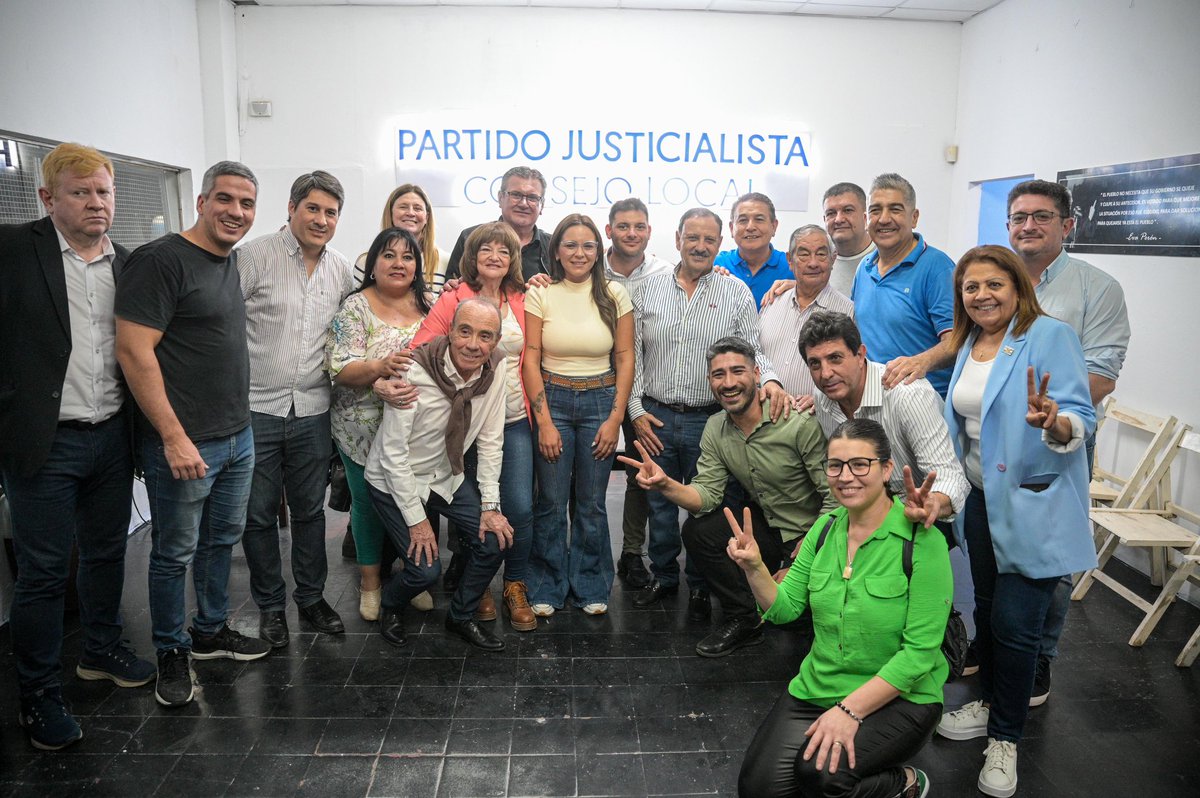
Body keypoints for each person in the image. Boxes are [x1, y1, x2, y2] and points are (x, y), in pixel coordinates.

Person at [0, 143, 155, 749]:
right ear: (48, 199)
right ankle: (37, 696)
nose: (96, 203)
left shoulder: (130, 263)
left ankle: (101, 649)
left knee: (104, 554)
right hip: (44, 442)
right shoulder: (14, 250)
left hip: (112, 434)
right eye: (81, 192)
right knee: (41, 573)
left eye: (104, 192)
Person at [934, 245, 1097, 798]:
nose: (982, 295)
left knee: (1017, 624)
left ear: (1016, 287)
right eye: (971, 287)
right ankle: (990, 704)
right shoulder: (971, 342)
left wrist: (1056, 423)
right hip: (981, 499)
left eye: (993, 284)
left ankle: (1005, 736)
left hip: (1033, 502)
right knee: (983, 607)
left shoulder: (1050, 335)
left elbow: (1082, 416)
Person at [115, 161, 272, 709]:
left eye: (247, 204)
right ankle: (171, 651)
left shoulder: (226, 261)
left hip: (237, 434)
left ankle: (209, 632)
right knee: (172, 553)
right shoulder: (160, 260)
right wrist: (173, 437)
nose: (236, 212)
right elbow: (134, 352)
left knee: (219, 543)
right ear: (201, 201)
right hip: (187, 443)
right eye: (226, 200)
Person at [733, 418, 951, 798]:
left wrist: (849, 712)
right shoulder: (824, 531)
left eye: (859, 464)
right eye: (835, 465)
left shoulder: (921, 539)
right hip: (821, 685)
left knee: (821, 776)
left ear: (885, 470)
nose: (845, 476)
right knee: (758, 790)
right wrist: (755, 568)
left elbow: (919, 655)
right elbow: (784, 611)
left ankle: (903, 784)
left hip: (902, 695)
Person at [619, 337, 835, 658]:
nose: (729, 382)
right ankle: (744, 619)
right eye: (719, 375)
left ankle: (796, 601)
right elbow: (706, 495)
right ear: (709, 381)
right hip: (768, 528)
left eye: (738, 371)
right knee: (699, 531)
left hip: (813, 534)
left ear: (757, 373)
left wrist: (798, 560)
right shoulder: (716, 428)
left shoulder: (796, 423)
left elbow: (835, 500)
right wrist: (665, 484)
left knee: (800, 623)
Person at [629, 208, 790, 621]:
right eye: (693, 237)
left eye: (710, 240)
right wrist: (635, 411)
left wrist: (769, 380)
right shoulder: (647, 290)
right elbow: (635, 357)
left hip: (712, 420)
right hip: (657, 416)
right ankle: (664, 577)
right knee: (660, 504)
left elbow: (752, 348)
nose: (701, 246)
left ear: (721, 244)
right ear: (678, 237)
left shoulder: (735, 292)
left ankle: (701, 585)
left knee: (713, 508)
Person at [1006, 178, 1130, 702]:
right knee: (995, 547)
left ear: (1067, 225)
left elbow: (1101, 376)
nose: (1028, 226)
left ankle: (1037, 659)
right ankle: (997, 646)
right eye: (1018, 217)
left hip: (1060, 441)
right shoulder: (993, 279)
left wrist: (1042, 414)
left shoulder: (1095, 289)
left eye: (1040, 216)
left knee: (1050, 559)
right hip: (990, 444)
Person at [238, 170, 356, 648]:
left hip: (312, 409)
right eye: (313, 208)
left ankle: (311, 599)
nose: (321, 219)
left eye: (330, 212)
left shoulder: (343, 269)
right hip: (255, 409)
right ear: (291, 208)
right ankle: (270, 607)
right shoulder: (253, 257)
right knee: (258, 515)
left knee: (309, 513)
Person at [365, 299, 514, 651]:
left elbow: (492, 441)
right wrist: (418, 522)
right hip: (392, 479)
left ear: (494, 342)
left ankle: (460, 616)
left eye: (484, 336)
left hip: (445, 475)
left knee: (494, 541)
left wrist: (491, 506)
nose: (473, 344)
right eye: (465, 331)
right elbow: (392, 454)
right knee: (424, 572)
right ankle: (390, 604)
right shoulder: (412, 370)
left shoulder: (495, 370)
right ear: (450, 331)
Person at [413, 221, 537, 632]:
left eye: (503, 251)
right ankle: (478, 584)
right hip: (462, 424)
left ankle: (514, 584)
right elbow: (422, 349)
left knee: (517, 505)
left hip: (514, 417)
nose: (495, 257)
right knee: (468, 508)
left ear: (513, 258)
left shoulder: (523, 296)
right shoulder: (454, 297)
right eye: (486, 249)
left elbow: (534, 356)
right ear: (471, 255)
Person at [523, 214, 634, 617]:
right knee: (550, 501)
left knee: (591, 503)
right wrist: (545, 421)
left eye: (588, 245)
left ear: (598, 252)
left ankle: (590, 584)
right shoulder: (540, 294)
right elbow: (531, 358)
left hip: (599, 401)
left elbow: (624, 357)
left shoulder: (615, 295)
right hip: (552, 397)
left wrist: (615, 418)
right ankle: (547, 585)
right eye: (570, 244)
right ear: (556, 251)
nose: (579, 253)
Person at [327, 227, 434, 623]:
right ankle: (371, 584)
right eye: (388, 255)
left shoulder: (430, 303)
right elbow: (339, 367)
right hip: (362, 429)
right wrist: (379, 370)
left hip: (417, 433)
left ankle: (412, 578)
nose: (399, 264)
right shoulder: (355, 306)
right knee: (370, 506)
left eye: (408, 257)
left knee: (414, 502)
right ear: (373, 263)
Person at [800, 311, 968, 535]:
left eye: (835, 358)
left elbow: (950, 477)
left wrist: (932, 502)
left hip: (921, 519)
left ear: (860, 355)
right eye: (815, 364)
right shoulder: (823, 398)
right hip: (867, 517)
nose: (826, 373)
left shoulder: (908, 395)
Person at [603, 198, 673, 589]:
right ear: (609, 229)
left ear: (649, 230)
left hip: (641, 393)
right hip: (591, 385)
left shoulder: (664, 273)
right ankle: (582, 551)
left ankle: (632, 553)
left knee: (638, 473)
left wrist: (635, 403)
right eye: (624, 226)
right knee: (584, 476)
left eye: (640, 226)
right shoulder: (590, 268)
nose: (632, 233)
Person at [852, 173, 956, 397]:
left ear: (914, 217)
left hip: (924, 401)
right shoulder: (864, 268)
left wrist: (921, 362)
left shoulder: (938, 268)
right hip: (875, 399)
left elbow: (957, 340)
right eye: (876, 210)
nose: (884, 219)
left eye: (895, 209)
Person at [758, 225, 853, 397]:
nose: (813, 263)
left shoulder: (848, 312)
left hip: (817, 417)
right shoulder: (771, 302)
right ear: (789, 259)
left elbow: (853, 372)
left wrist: (822, 400)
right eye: (803, 254)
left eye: (821, 254)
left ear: (833, 259)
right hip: (765, 413)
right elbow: (754, 351)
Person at [446, 166, 552, 281]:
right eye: (516, 195)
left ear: (542, 205)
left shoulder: (554, 246)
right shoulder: (470, 237)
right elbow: (452, 286)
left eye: (532, 197)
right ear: (500, 198)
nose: (523, 204)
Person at [356, 183, 448, 295]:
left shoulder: (446, 261)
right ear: (391, 213)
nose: (410, 213)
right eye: (403, 207)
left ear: (426, 218)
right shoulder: (365, 262)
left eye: (417, 208)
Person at [714, 192, 791, 309]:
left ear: (774, 226)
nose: (750, 227)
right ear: (731, 228)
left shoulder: (791, 266)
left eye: (759, 219)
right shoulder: (717, 264)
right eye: (743, 220)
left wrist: (799, 288)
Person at [823, 182, 877, 297]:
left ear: (865, 217)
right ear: (824, 220)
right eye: (831, 213)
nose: (838, 219)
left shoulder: (886, 256)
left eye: (847, 210)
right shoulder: (818, 263)